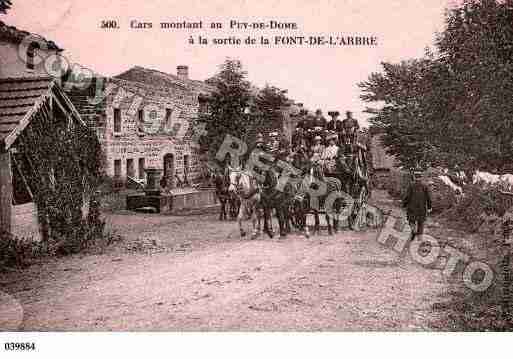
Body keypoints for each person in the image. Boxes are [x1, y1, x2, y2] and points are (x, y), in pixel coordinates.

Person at [402, 169, 432, 240]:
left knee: (411, 220)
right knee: (421, 222)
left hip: (412, 208)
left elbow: (407, 197)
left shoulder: (411, 186)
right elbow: (429, 197)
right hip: (422, 208)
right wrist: (430, 207)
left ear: (414, 177)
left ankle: (413, 230)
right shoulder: (425, 186)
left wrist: (404, 204)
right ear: (421, 177)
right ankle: (419, 238)